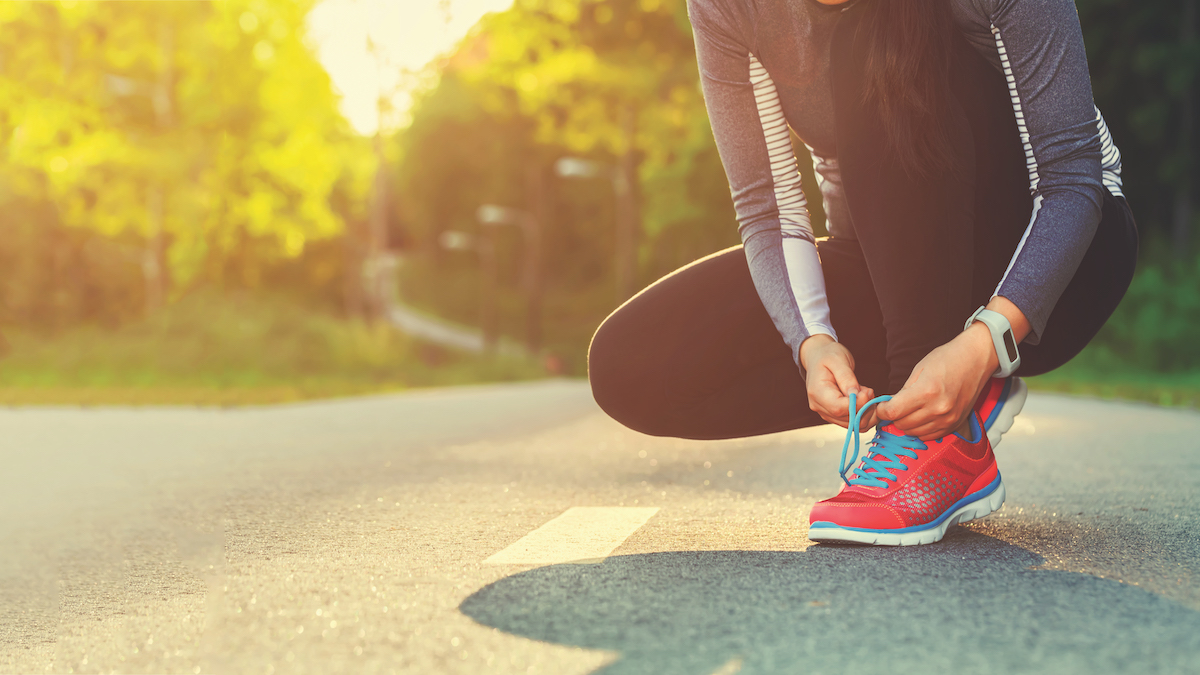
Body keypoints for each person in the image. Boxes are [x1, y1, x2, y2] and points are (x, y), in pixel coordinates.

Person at [587, 0, 1138, 545]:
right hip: (898, 268)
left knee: (870, 35)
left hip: (1060, 269)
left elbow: (1073, 178)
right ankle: (940, 389)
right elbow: (769, 210)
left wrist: (986, 342)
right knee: (630, 365)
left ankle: (940, 440)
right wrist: (813, 343)